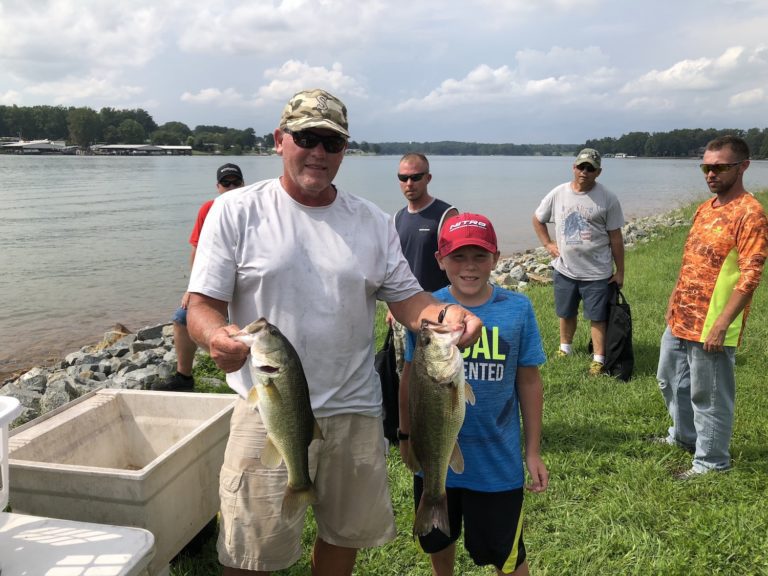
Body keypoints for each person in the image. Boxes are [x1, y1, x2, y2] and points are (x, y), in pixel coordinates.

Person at [185, 88, 483, 576]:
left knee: (342, 538)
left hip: (356, 408)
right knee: (250, 550)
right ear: (280, 140)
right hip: (268, 406)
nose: (319, 153)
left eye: (333, 143)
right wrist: (215, 336)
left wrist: (445, 316)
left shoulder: (370, 220)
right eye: (307, 137)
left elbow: (408, 297)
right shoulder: (235, 211)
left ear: (345, 150)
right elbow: (201, 305)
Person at [398, 213, 548, 576]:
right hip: (435, 459)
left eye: (480, 256)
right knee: (438, 541)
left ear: (496, 258)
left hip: (498, 464)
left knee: (507, 555)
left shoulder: (517, 309)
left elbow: (529, 382)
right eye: (458, 256)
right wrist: (405, 435)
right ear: (440, 260)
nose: (469, 266)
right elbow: (408, 378)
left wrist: (532, 451)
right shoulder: (425, 312)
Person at [655, 135, 768, 479]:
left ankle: (711, 461)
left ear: (743, 166)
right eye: (706, 167)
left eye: (719, 167)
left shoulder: (750, 213)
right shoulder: (706, 209)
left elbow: (751, 274)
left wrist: (722, 322)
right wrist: (675, 299)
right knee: (669, 381)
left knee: (710, 395)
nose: (710, 174)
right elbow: (691, 260)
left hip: (713, 322)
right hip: (682, 316)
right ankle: (684, 437)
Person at [532, 148, 625, 376]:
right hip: (565, 269)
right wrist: (547, 244)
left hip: (597, 273)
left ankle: (598, 359)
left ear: (598, 172)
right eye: (581, 166)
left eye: (590, 168)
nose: (585, 171)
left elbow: (616, 237)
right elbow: (537, 218)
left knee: (597, 317)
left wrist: (620, 271)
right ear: (573, 167)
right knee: (566, 312)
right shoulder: (558, 192)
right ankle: (565, 348)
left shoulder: (608, 198)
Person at [153, 163, 245, 391]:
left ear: (243, 184)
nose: (231, 187)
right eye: (226, 183)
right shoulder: (209, 210)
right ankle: (184, 376)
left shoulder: (253, 208)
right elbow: (197, 251)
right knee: (181, 318)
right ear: (218, 187)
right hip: (216, 280)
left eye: (236, 182)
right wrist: (192, 289)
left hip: (243, 279)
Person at [389, 153, 458, 376]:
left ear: (428, 178)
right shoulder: (397, 218)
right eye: (403, 177)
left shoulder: (446, 214)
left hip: (437, 311)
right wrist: (393, 306)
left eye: (416, 177)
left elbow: (458, 264)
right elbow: (396, 267)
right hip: (405, 311)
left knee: (438, 376)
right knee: (406, 373)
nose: (409, 183)